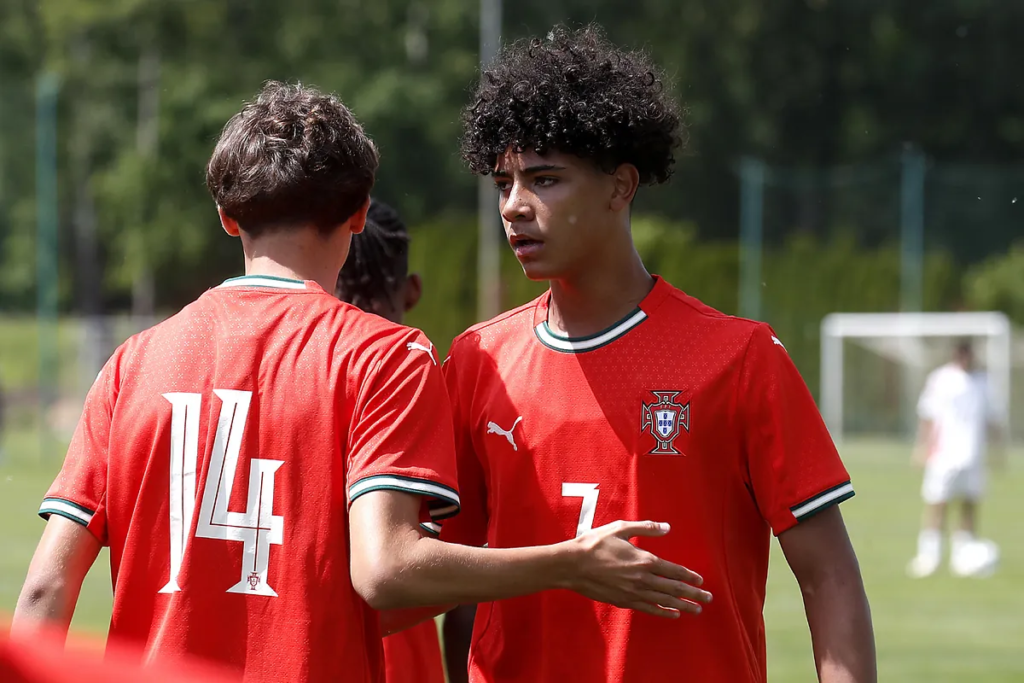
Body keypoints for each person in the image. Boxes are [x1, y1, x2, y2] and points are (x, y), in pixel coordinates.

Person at [12, 81, 709, 682]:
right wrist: (567, 561)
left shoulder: (132, 363)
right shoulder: (384, 356)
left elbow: (45, 587)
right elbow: (385, 570)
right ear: (358, 211)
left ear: (227, 216)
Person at [440, 25, 876, 683]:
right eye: (503, 184)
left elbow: (829, 575)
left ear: (620, 186)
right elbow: (432, 572)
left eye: (544, 179)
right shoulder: (479, 359)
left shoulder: (741, 357)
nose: (514, 207)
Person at [334, 198, 445, 683]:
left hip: (315, 650)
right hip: (403, 656)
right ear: (412, 290)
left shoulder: (294, 384)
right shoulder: (425, 382)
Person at [907, 340, 1003, 578]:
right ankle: (929, 556)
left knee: (969, 504)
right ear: (955, 354)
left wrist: (997, 450)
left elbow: (992, 419)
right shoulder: (940, 379)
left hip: (973, 455)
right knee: (937, 502)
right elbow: (927, 415)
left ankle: (963, 556)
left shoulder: (983, 382)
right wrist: (922, 446)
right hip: (944, 454)